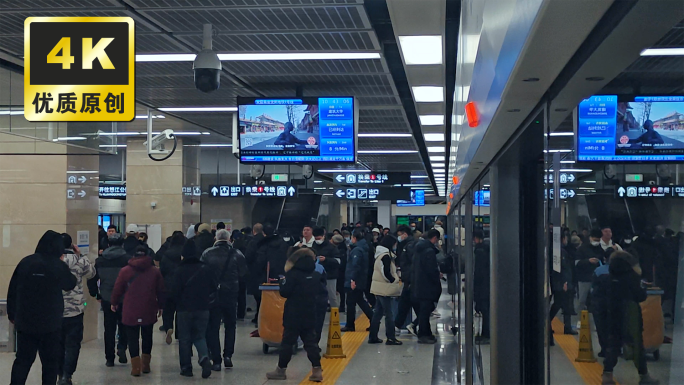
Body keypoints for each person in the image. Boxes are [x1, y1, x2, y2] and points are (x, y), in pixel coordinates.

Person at [8, 230, 78, 385]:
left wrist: (12, 314)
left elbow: (12, 290)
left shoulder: (25, 262)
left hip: (25, 321)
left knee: (23, 360)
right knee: (50, 363)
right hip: (50, 323)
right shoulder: (58, 265)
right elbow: (70, 284)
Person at [266, 248, 324, 382]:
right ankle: (317, 370)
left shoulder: (292, 274)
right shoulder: (316, 274)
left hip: (293, 313)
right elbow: (321, 292)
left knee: (287, 342)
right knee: (311, 342)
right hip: (310, 311)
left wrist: (281, 282)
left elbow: (284, 293)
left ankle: (281, 370)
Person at [602, 251, 659, 385]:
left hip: (612, 313)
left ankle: (607, 376)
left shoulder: (608, 276)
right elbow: (640, 296)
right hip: (630, 313)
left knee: (613, 345)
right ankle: (644, 376)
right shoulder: (632, 276)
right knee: (637, 344)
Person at [110, 246, 165, 377]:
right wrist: (161, 306)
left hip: (130, 308)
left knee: (132, 338)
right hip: (149, 307)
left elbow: (118, 289)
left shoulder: (125, 271)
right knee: (147, 336)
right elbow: (161, 290)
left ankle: (135, 368)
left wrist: (114, 302)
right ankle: (146, 365)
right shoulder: (155, 271)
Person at [201, 229, 248, 371]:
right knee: (230, 325)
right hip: (231, 294)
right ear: (229, 239)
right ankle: (228, 356)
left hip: (213, 294)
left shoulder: (207, 253)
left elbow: (202, 273)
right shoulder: (237, 254)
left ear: (216, 238)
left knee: (213, 327)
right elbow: (243, 274)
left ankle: (216, 360)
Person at [174, 240, 217, 378]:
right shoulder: (205, 268)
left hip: (184, 309)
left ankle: (186, 368)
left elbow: (174, 291)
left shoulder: (179, 270)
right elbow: (213, 286)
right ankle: (204, 357)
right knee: (200, 336)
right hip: (203, 307)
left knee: (185, 338)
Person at [57, 234, 96, 385]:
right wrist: (81, 255)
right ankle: (68, 374)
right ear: (72, 245)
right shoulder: (79, 260)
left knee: (58, 343)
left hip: (57, 310)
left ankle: (60, 373)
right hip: (75, 310)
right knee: (73, 344)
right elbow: (91, 273)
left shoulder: (54, 261)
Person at [87, 233, 130, 366]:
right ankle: (122, 347)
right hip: (124, 297)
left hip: (106, 297)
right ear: (122, 244)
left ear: (108, 244)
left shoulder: (100, 261)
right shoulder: (127, 259)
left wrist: (96, 294)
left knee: (109, 328)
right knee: (124, 325)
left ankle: (109, 358)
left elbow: (92, 279)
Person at [368, 235, 403, 345]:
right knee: (389, 313)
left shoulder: (379, 254)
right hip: (384, 288)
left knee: (378, 313)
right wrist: (394, 280)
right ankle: (391, 337)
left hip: (378, 288)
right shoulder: (386, 256)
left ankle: (373, 337)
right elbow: (386, 273)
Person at [411, 229, 442, 344]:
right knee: (425, 312)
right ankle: (423, 334)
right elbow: (431, 270)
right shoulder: (429, 251)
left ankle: (426, 332)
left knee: (423, 311)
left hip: (419, 284)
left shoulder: (418, 249)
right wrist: (437, 276)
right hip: (427, 286)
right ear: (434, 238)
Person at [341, 229, 374, 332]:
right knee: (360, 301)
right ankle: (373, 320)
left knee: (351, 302)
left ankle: (350, 325)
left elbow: (355, 266)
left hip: (355, 281)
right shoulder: (363, 248)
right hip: (360, 280)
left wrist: (352, 279)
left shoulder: (357, 250)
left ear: (354, 238)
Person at [549, 232, 577, 347]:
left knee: (560, 303)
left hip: (554, 282)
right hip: (560, 283)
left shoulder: (553, 250)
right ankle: (565, 326)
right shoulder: (560, 252)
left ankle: (565, 326)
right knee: (563, 303)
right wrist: (564, 282)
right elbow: (563, 268)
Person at [159, 231, 186, 340]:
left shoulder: (166, 254)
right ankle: (179, 332)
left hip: (169, 285)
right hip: (182, 286)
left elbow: (162, 270)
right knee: (180, 311)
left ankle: (168, 327)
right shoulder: (185, 254)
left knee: (168, 310)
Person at [394, 225, 419, 334]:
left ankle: (412, 324)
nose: (399, 237)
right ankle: (401, 324)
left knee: (409, 303)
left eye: (400, 235)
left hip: (410, 280)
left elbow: (412, 264)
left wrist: (409, 278)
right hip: (409, 279)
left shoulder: (409, 246)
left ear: (405, 234)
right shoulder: (406, 245)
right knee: (406, 303)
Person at [575, 228, 605, 313]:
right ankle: (581, 320)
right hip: (584, 278)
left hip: (596, 278)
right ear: (590, 238)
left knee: (595, 302)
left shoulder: (599, 248)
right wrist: (588, 261)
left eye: (598, 240)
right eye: (595, 240)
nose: (597, 242)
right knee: (582, 300)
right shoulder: (582, 248)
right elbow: (576, 263)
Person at [312, 226, 340, 309]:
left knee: (332, 297)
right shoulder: (314, 246)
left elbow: (338, 261)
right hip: (317, 276)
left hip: (330, 276)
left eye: (319, 238)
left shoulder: (332, 247)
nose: (317, 240)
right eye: (316, 238)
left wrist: (326, 259)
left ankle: (335, 316)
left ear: (323, 236)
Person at [473, 230, 491, 344]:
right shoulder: (488, 249)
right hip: (487, 284)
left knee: (484, 309)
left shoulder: (480, 251)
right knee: (486, 310)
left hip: (482, 285)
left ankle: (486, 333)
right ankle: (486, 332)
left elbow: (479, 272)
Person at [245, 223, 265, 324]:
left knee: (257, 295)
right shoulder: (266, 241)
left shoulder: (252, 242)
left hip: (254, 271)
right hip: (265, 271)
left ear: (254, 231)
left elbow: (248, 257)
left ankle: (258, 315)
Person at [230, 230, 248, 320]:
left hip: (233, 275)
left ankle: (233, 313)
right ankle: (241, 314)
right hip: (243, 275)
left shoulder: (232, 248)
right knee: (242, 296)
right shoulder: (246, 246)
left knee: (233, 296)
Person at [334, 233, 350, 312]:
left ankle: (342, 305)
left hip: (341, 272)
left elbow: (342, 262)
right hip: (340, 271)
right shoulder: (342, 248)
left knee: (341, 289)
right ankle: (342, 304)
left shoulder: (341, 250)